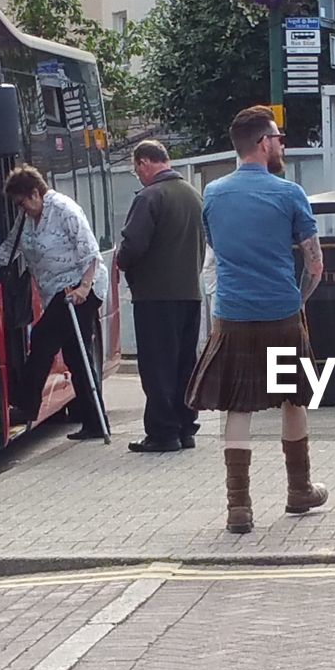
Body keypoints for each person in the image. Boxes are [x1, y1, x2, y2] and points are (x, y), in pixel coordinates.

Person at [186, 105, 326, 534]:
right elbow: (315, 262)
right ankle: (299, 490)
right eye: (278, 138)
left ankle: (238, 508)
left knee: (238, 405)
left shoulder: (212, 193)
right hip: (281, 314)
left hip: (232, 315)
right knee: (293, 399)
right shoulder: (289, 194)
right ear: (263, 143)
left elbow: (216, 249)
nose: (281, 144)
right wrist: (297, 298)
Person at [0, 165, 109, 439]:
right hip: (56, 293)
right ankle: (95, 422)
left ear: (35, 193)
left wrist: (84, 287)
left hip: (78, 287)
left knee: (42, 336)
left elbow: (90, 250)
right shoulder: (26, 218)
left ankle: (26, 405)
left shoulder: (63, 209)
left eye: (23, 203)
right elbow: (10, 248)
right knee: (76, 355)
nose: (22, 209)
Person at [117, 139, 205, 453]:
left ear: (144, 162)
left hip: (155, 296)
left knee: (157, 366)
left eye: (136, 169)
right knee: (184, 363)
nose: (138, 175)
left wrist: (121, 261)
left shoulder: (150, 196)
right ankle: (186, 427)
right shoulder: (194, 196)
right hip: (189, 293)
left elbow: (133, 246)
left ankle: (162, 432)